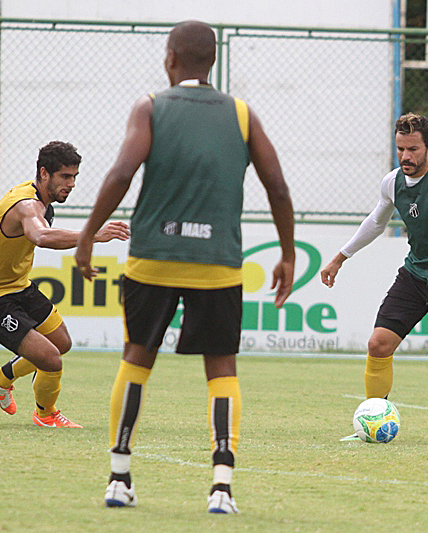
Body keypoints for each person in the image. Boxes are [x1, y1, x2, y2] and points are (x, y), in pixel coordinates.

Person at [74, 20, 295, 514]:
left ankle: (119, 476)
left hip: (153, 258)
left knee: (136, 356)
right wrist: (287, 252)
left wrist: (88, 234)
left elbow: (121, 173)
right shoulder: (242, 115)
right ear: (211, 60)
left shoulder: (150, 106)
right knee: (221, 367)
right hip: (217, 263)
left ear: (171, 57)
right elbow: (277, 187)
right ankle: (221, 486)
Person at [320, 113, 428, 436]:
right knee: (378, 344)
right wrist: (340, 257)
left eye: (413, 149)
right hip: (416, 274)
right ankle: (372, 421)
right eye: (400, 148)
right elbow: (376, 222)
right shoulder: (392, 182)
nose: (406, 156)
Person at [0, 141, 129, 428]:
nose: (72, 184)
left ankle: (1, 378)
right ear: (44, 174)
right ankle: (46, 415)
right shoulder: (27, 205)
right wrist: (94, 234)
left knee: (61, 342)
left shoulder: (39, 201)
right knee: (51, 360)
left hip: (17, 287)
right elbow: (42, 237)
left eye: (75, 177)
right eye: (65, 177)